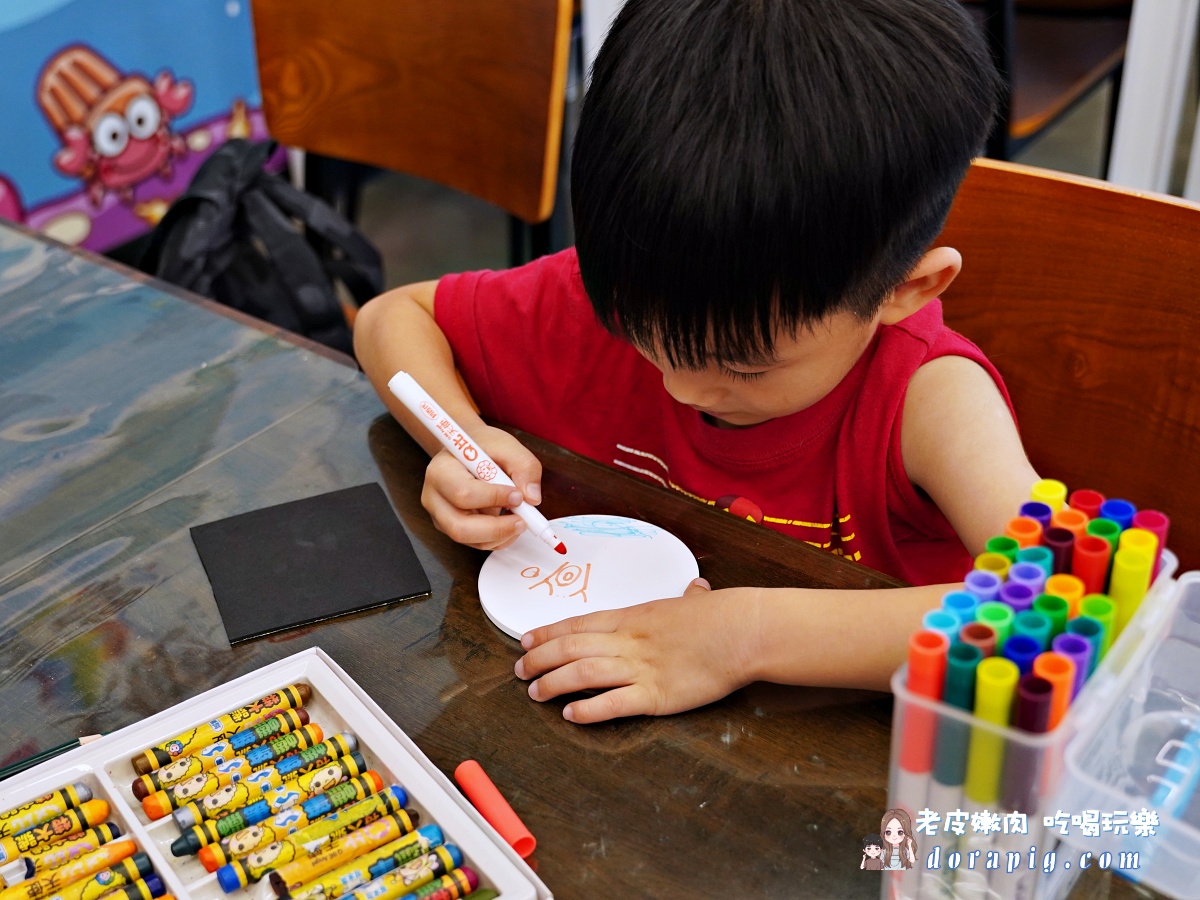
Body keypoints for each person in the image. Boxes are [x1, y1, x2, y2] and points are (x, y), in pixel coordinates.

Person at [355, 0, 1039, 724]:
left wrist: (744, 636)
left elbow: (1067, 613)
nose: (678, 384)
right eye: (638, 332)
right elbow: (390, 319)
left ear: (908, 290)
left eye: (744, 366)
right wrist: (460, 439)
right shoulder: (632, 285)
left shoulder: (930, 400)